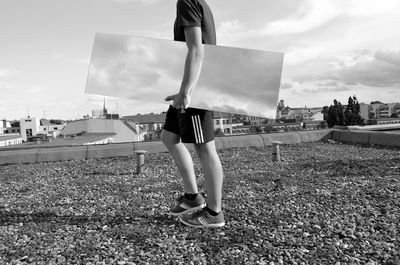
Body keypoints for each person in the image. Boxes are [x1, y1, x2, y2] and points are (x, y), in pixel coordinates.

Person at [161, 0, 225, 228]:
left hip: (196, 91)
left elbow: (197, 49)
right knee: (169, 137)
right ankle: (192, 198)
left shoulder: (187, 1)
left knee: (205, 148)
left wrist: (186, 92)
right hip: (186, 88)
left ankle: (214, 213)